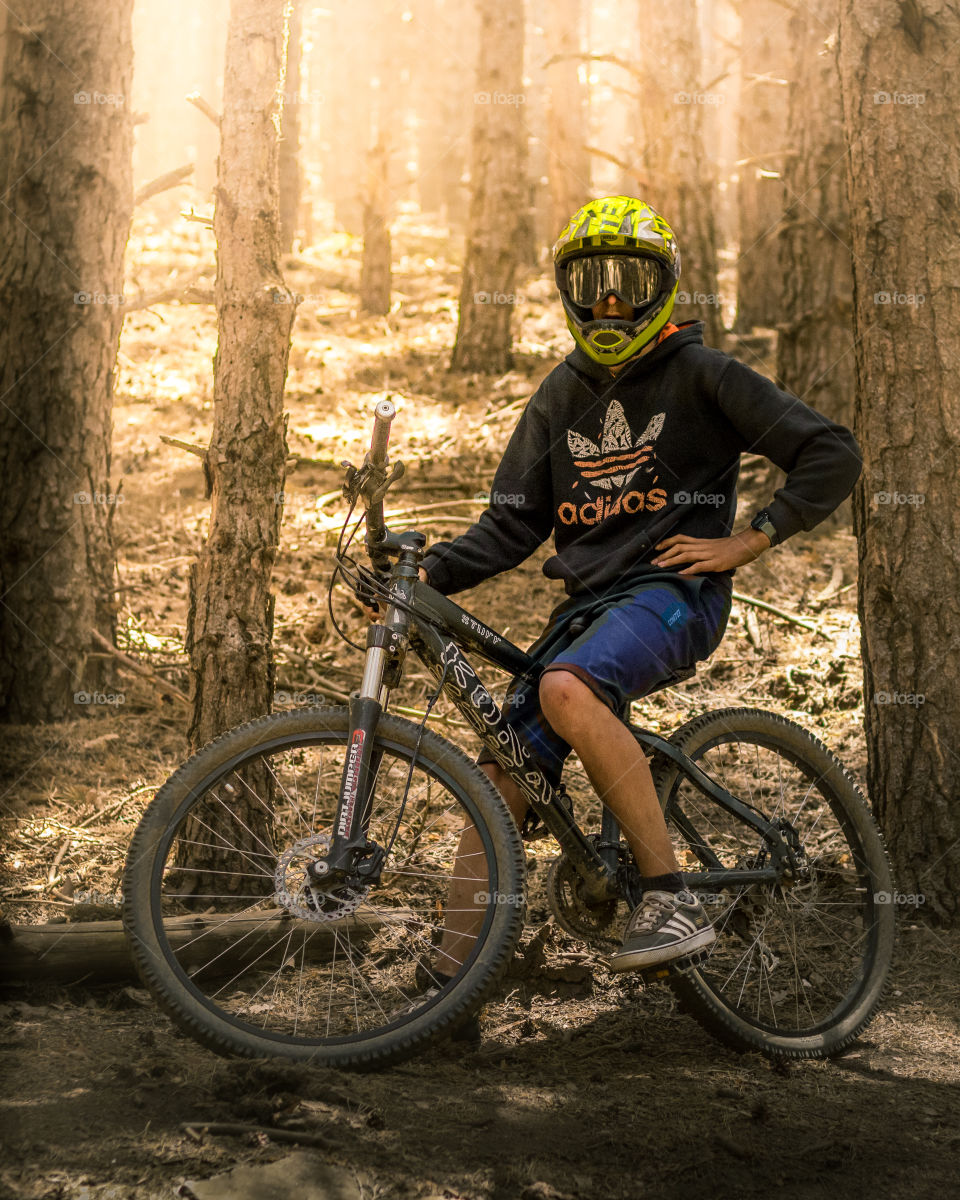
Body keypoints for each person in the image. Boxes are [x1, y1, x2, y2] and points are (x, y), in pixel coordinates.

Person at [402, 195, 861, 999]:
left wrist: (751, 537)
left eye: (630, 283)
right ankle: (449, 987)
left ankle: (670, 900)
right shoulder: (559, 394)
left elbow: (831, 451)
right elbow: (509, 529)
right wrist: (427, 576)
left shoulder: (702, 372)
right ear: (569, 292)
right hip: (583, 611)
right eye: (593, 284)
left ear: (664, 289)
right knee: (501, 778)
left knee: (566, 687)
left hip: (674, 593)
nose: (610, 302)